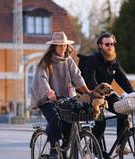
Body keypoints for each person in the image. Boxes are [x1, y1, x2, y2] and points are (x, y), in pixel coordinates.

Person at [30, 31, 91, 159]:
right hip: (46, 98)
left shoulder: (68, 60)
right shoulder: (45, 62)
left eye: (64, 45)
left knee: (70, 121)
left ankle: (64, 149)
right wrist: (50, 92)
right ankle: (53, 148)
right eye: (60, 45)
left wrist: (88, 92)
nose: (63, 47)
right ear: (54, 47)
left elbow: (77, 77)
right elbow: (42, 79)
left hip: (63, 98)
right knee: (55, 118)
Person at [82, 32, 135, 156]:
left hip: (108, 94)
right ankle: (91, 149)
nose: (110, 46)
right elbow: (89, 79)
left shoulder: (113, 61)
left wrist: (132, 91)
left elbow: (121, 78)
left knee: (123, 110)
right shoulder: (92, 59)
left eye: (112, 44)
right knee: (101, 123)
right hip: (93, 95)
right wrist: (98, 92)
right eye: (107, 44)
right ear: (100, 45)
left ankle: (120, 145)